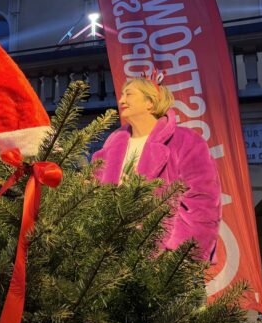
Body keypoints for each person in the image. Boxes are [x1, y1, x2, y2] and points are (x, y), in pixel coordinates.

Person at [92, 75, 221, 261]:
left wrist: (177, 256)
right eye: (121, 95)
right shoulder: (113, 143)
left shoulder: (186, 141)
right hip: (110, 258)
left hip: (163, 261)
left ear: (150, 103)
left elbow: (203, 202)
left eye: (128, 94)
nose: (121, 100)